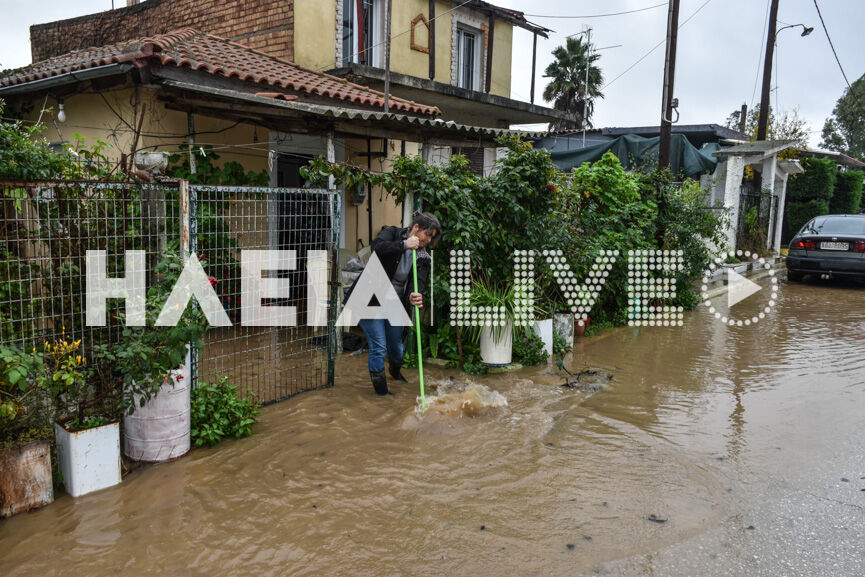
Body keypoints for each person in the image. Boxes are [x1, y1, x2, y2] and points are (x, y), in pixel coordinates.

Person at [355, 212, 440, 396]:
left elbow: (417, 284)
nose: (428, 240)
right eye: (428, 234)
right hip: (370, 297)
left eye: (432, 237)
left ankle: (395, 372)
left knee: (396, 347)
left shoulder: (423, 257)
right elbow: (377, 247)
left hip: (395, 302)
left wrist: (413, 296)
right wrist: (403, 245)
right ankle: (383, 395)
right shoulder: (392, 234)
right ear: (416, 228)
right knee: (379, 346)